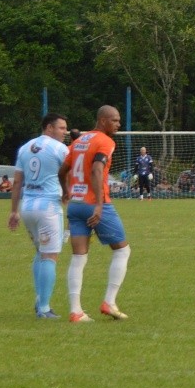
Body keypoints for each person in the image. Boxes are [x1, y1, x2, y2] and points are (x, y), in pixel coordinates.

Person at [64, 105, 132, 321]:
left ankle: (76, 311)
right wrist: (100, 205)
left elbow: (62, 170)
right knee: (122, 250)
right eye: (115, 120)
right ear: (103, 120)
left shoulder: (78, 141)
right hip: (94, 203)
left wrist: (67, 192)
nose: (118, 125)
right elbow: (96, 169)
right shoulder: (105, 141)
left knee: (78, 257)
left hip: (75, 204)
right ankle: (109, 302)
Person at [9, 113, 72, 319]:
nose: (65, 132)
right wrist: (68, 194)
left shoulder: (25, 148)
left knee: (40, 252)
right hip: (48, 208)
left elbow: (17, 182)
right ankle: (44, 308)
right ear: (49, 127)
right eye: (61, 128)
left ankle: (39, 299)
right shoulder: (60, 149)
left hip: (28, 206)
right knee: (50, 256)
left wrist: (13, 211)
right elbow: (69, 175)